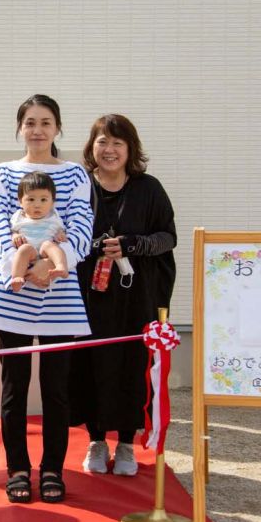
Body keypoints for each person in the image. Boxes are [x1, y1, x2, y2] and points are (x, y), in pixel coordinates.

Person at [0, 94, 93, 504]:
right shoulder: (3, 172)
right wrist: (22, 269)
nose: (37, 129)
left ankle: (52, 468)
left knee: (56, 390)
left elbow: (82, 226)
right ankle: (17, 468)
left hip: (61, 292)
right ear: (19, 127)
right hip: (13, 293)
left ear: (58, 128)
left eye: (45, 122)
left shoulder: (75, 174)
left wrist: (50, 268)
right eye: (30, 122)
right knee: (13, 388)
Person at [70, 114, 176, 476]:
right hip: (89, 295)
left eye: (117, 143)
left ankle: (127, 444)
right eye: (102, 141)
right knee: (91, 365)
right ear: (91, 147)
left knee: (133, 366)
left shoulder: (148, 188)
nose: (109, 150)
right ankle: (96, 441)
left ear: (130, 149)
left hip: (136, 296)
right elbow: (64, 232)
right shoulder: (80, 186)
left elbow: (167, 237)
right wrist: (95, 246)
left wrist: (133, 245)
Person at [9, 171, 68, 292]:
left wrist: (61, 235)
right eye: (31, 199)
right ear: (20, 201)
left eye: (43, 200)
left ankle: (61, 266)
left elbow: (61, 230)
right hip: (30, 252)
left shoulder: (53, 217)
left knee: (50, 246)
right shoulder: (18, 217)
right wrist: (15, 236)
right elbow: (13, 231)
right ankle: (17, 277)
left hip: (45, 253)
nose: (37, 205)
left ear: (52, 201)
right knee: (23, 249)